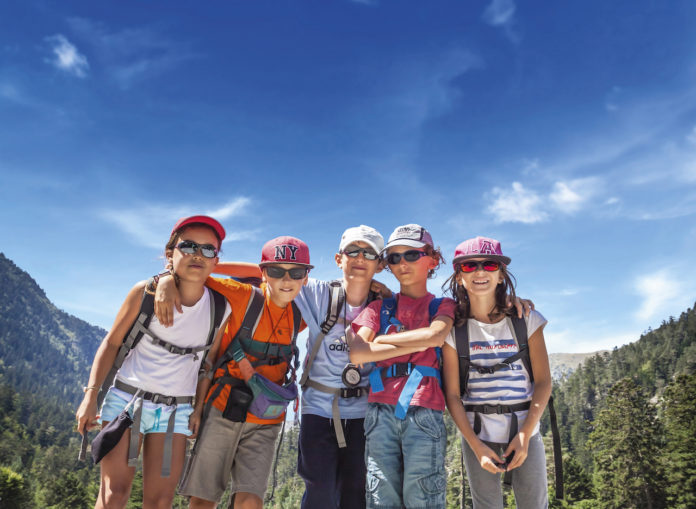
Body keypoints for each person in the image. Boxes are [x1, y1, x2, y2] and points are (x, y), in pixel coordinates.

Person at [200, 225, 388, 509]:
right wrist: (209, 265)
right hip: (318, 410)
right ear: (339, 259)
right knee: (319, 492)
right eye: (353, 251)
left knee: (356, 493)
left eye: (369, 253)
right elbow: (276, 271)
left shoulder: (387, 304)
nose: (360, 258)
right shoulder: (316, 292)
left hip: (364, 412)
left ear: (380, 263)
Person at [75, 215, 232, 509]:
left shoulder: (220, 308)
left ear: (216, 261)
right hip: (125, 401)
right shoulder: (144, 292)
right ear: (169, 253)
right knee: (114, 494)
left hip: (177, 410)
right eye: (188, 246)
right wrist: (91, 396)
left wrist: (198, 409)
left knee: (160, 502)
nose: (198, 255)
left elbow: (206, 365)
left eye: (208, 249)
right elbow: (111, 343)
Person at [154, 236, 311, 509]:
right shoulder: (242, 296)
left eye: (295, 273)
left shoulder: (303, 315)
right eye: (276, 271)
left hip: (266, 419)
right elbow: (198, 269)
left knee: (251, 500)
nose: (286, 280)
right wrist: (167, 277)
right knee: (204, 500)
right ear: (263, 273)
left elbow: (348, 298)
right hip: (223, 408)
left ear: (305, 278)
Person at [348, 224, 456, 509]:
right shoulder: (378, 308)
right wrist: (417, 342)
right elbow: (357, 354)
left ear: (432, 260)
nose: (402, 263)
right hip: (379, 411)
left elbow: (435, 335)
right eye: (394, 258)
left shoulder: (443, 305)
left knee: (424, 497)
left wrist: (382, 341)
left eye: (411, 255)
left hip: (425, 409)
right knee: (380, 498)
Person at [442, 236, 552, 509]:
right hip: (477, 434)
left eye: (490, 265)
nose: (480, 272)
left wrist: (525, 436)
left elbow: (543, 381)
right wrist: (476, 446)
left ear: (501, 275)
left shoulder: (526, 320)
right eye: (469, 267)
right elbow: (453, 395)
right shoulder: (453, 330)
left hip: (526, 428)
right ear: (459, 277)